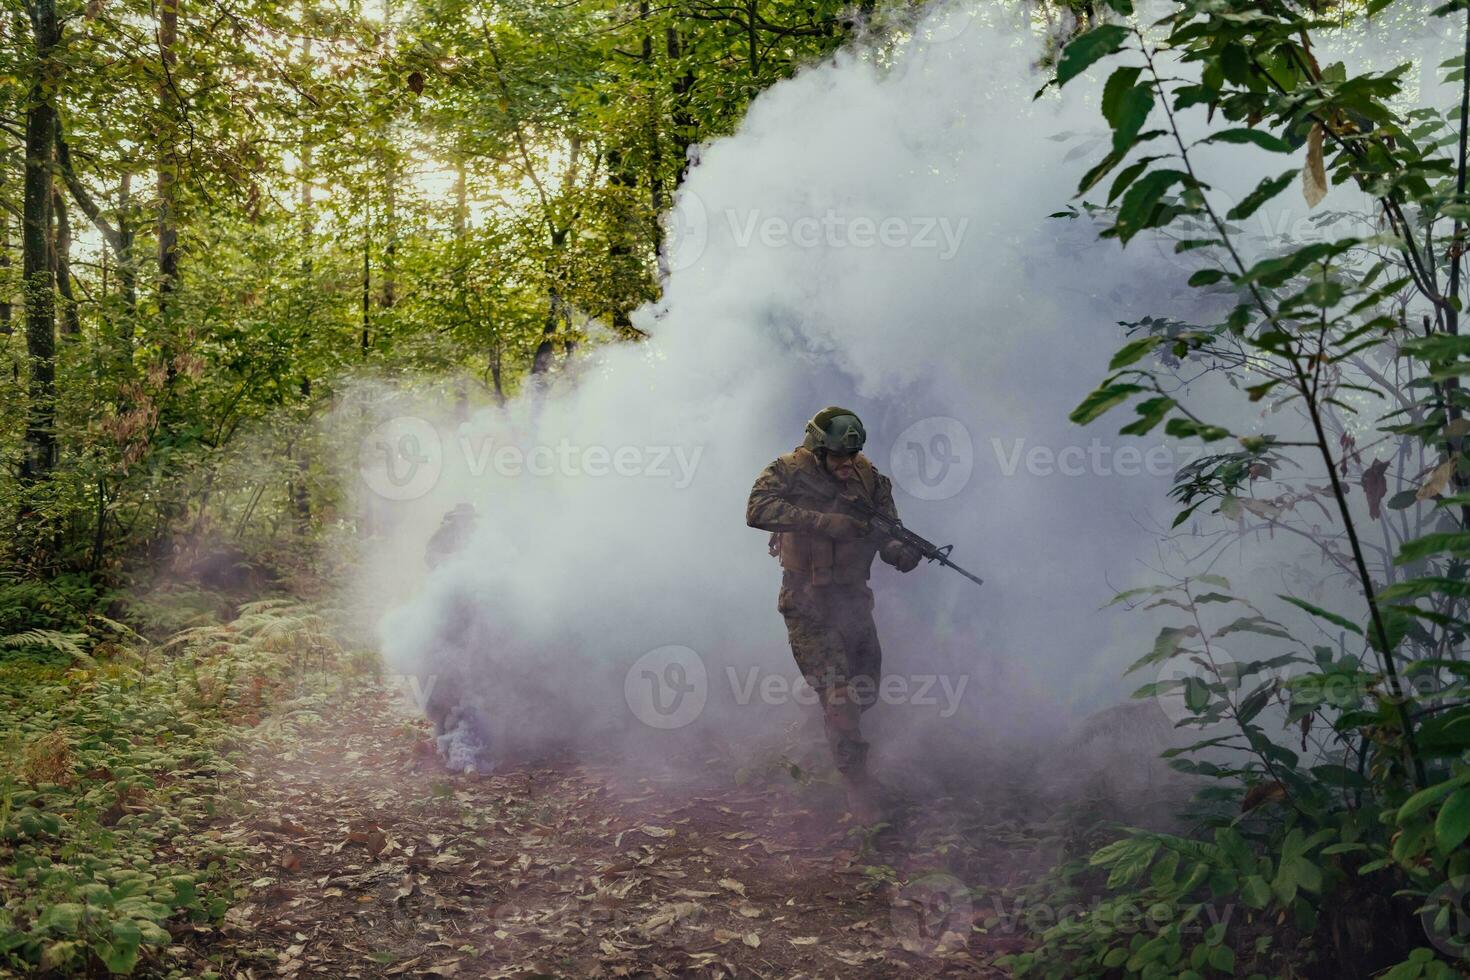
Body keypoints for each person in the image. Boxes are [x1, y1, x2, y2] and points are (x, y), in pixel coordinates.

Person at [746, 407, 921, 821]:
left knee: (864, 693)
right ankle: (859, 792)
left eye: (851, 457)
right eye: (838, 458)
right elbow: (757, 510)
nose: (846, 466)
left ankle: (828, 732)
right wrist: (824, 522)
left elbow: (888, 532)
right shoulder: (788, 471)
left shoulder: (870, 479)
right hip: (806, 601)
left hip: (854, 602)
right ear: (818, 451)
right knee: (840, 698)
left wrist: (902, 554)